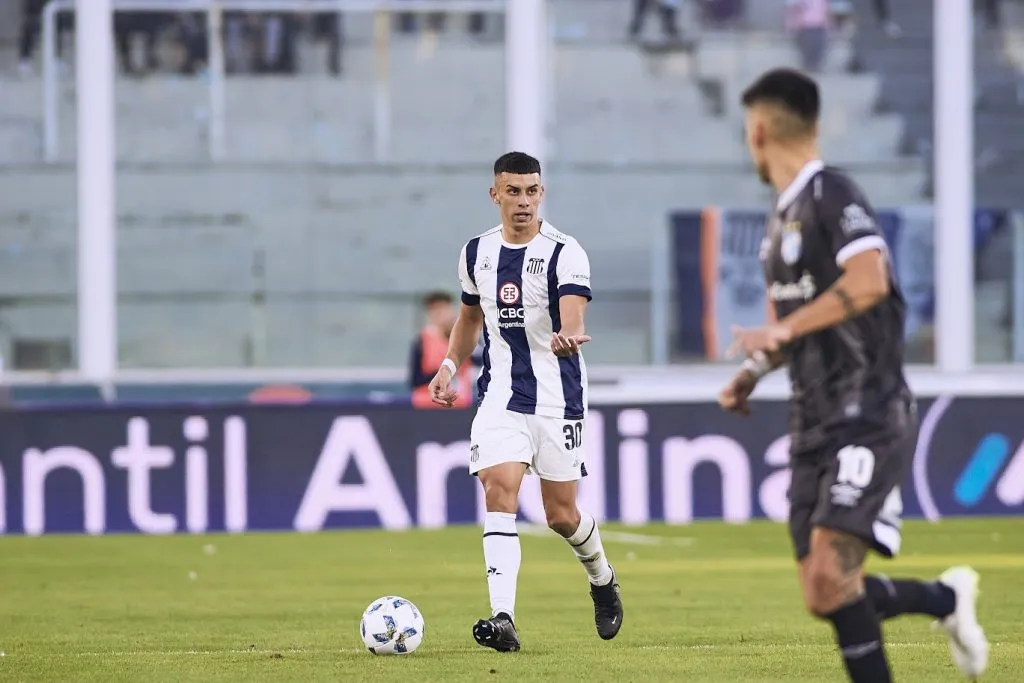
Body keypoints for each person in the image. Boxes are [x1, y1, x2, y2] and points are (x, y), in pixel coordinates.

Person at [719, 68, 989, 683]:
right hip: (812, 416)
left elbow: (868, 280)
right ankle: (946, 600)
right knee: (824, 592)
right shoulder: (778, 219)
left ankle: (945, 603)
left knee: (832, 576)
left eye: (746, 131)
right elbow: (803, 323)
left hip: (866, 412)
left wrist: (781, 333)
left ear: (759, 130)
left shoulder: (831, 195)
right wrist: (755, 368)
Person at [427, 152, 623, 652]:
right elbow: (470, 319)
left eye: (532, 191)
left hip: (558, 398)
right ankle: (504, 618)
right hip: (500, 396)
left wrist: (567, 336)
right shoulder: (476, 253)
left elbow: (574, 318)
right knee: (500, 489)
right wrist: (450, 367)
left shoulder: (565, 252)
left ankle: (601, 577)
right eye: (512, 191)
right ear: (495, 194)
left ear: (542, 193)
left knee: (560, 515)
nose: (523, 201)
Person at [409, 290, 475, 409]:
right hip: (428, 405)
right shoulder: (422, 340)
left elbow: (481, 359)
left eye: (443, 308)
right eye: (434, 309)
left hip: (461, 404)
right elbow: (415, 380)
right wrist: (443, 372)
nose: (439, 313)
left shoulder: (466, 336)